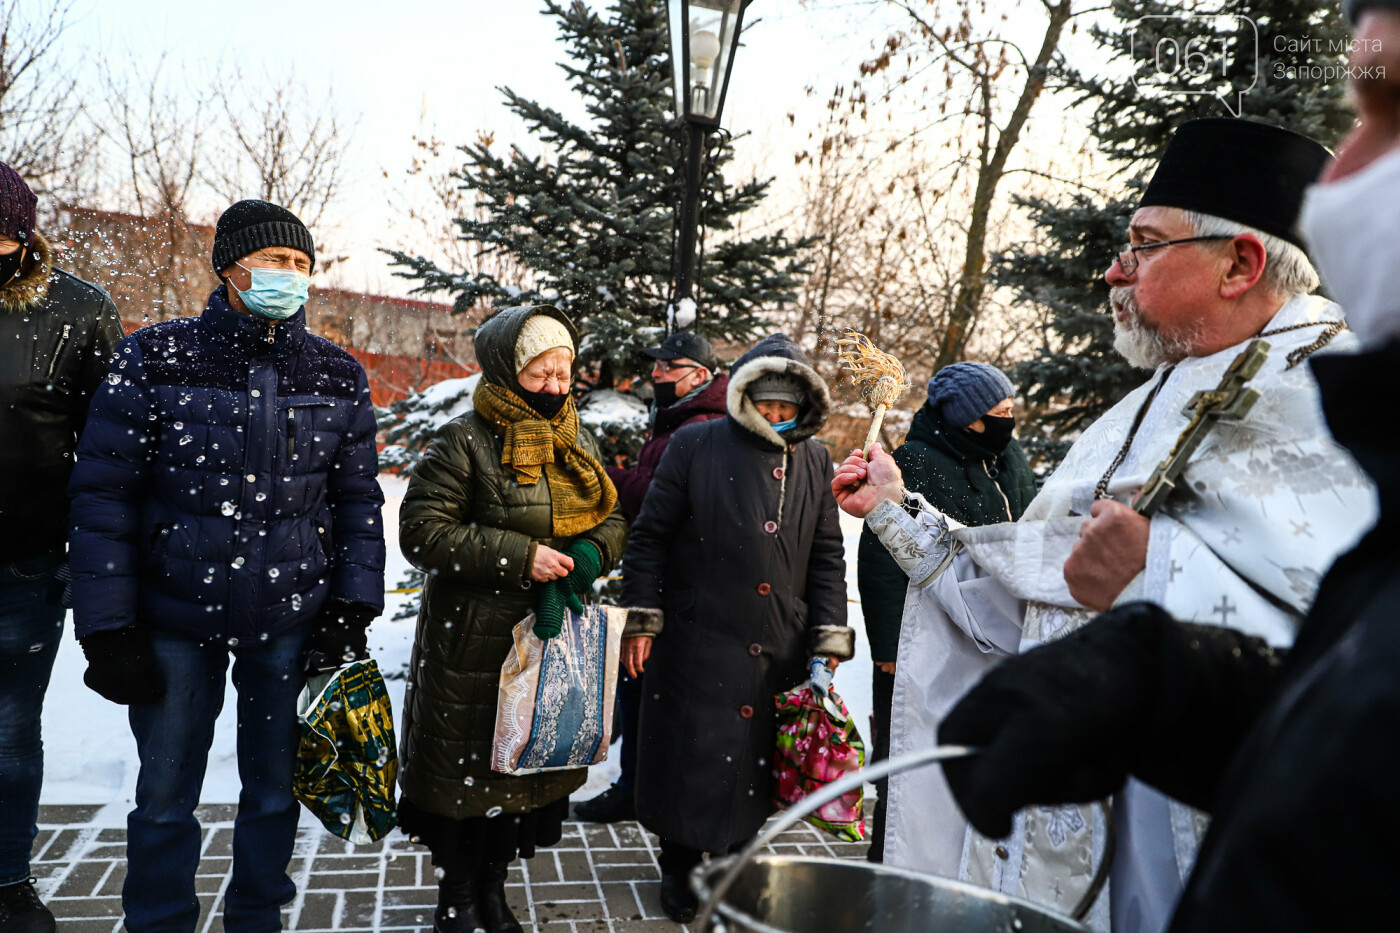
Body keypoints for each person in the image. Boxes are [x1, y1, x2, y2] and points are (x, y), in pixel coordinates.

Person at [833, 118, 1378, 931]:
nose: (1116, 271)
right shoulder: (1148, 398)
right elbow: (1033, 596)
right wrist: (893, 507)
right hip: (1071, 820)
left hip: (1191, 827)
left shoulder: (1330, 400)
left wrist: (1156, 567)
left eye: (1145, 244)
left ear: (1242, 262)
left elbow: (1359, 652)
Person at [67, 200, 386, 933]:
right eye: (276, 261)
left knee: (273, 790)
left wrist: (350, 607)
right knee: (165, 792)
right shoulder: (156, 356)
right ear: (230, 267)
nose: (291, 276)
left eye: (303, 264)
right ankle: (158, 918)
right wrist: (108, 628)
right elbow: (104, 495)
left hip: (289, 615)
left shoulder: (338, 374)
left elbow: (357, 503)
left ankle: (255, 915)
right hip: (175, 612)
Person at [396, 305, 627, 933]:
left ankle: (493, 891)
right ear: (506, 370)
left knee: (522, 773)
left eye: (563, 373)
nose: (555, 388)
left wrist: (588, 552)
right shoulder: (463, 439)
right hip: (473, 643)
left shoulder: (574, 440)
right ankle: (458, 895)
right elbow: (421, 532)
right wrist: (522, 556)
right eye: (540, 374)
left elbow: (610, 518)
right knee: (467, 780)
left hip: (548, 639)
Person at [619, 332, 853, 923]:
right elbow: (649, 537)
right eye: (766, 404)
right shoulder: (697, 444)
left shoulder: (815, 459)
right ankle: (678, 866)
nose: (776, 416)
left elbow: (826, 556)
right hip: (697, 635)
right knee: (689, 755)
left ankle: (733, 865)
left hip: (777, 642)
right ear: (743, 398)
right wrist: (642, 618)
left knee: (751, 763)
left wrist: (827, 637)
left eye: (786, 407)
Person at [0, 163, 122, 933]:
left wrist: (96, 559)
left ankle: (8, 879)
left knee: (9, 728)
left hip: (25, 559)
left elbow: (109, 450)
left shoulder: (76, 310)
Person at [855, 361, 1035, 862]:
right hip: (922, 634)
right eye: (998, 411)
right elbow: (879, 553)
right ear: (967, 418)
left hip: (991, 626)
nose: (1008, 418)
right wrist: (888, 645)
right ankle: (890, 862)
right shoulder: (915, 460)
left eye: (1009, 409)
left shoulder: (1009, 457)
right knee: (908, 756)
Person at [578, 332, 728, 824]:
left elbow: (653, 496)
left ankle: (641, 790)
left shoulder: (704, 423)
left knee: (648, 691)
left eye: (671, 366)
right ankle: (635, 785)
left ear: (701, 375)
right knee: (639, 686)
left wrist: (604, 478)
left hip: (679, 585)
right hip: (657, 578)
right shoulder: (677, 418)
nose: (657, 374)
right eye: (656, 366)